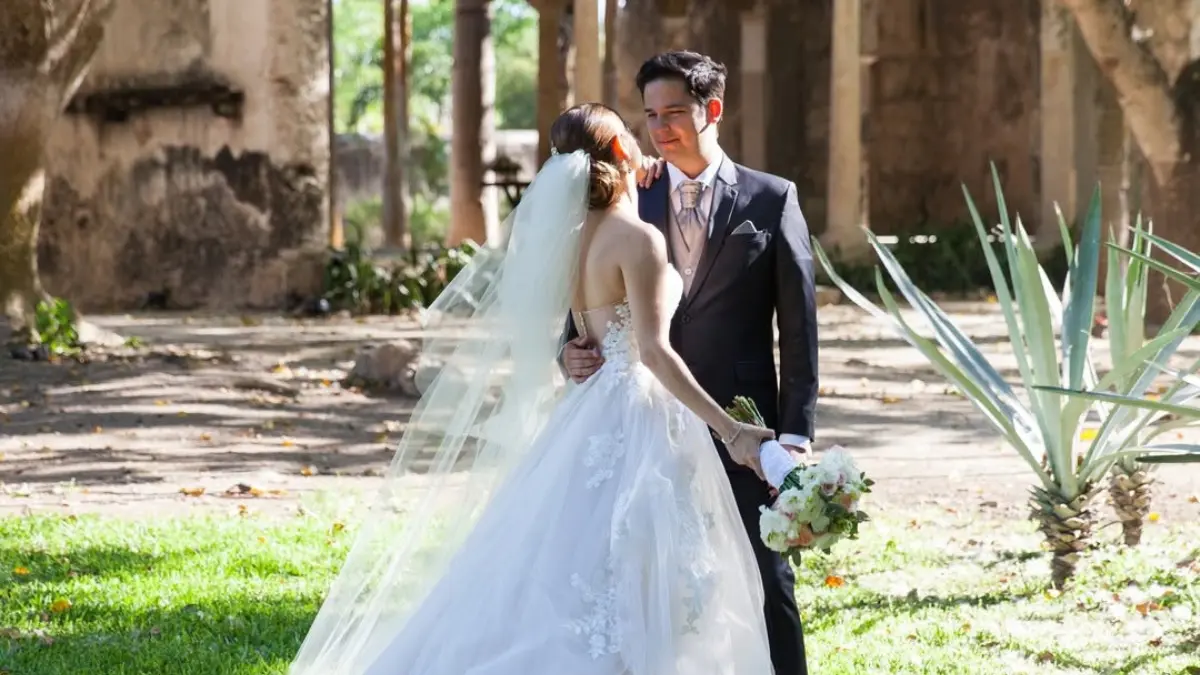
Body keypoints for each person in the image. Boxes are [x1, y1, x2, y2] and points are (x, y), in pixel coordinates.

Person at [288, 103, 777, 675]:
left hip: (586, 412)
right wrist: (733, 430)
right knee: (642, 568)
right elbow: (653, 352)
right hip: (636, 414)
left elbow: (578, 329)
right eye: (631, 133)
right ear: (620, 152)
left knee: (577, 565)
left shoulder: (568, 239)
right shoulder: (638, 240)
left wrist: (568, 352)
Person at [561, 50, 819, 675]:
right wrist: (565, 352)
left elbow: (800, 329)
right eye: (649, 115)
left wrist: (793, 436)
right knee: (653, 582)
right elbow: (585, 313)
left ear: (713, 109)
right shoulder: (629, 201)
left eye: (674, 112)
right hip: (648, 427)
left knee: (766, 584)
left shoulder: (771, 198)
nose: (660, 129)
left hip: (743, 422)